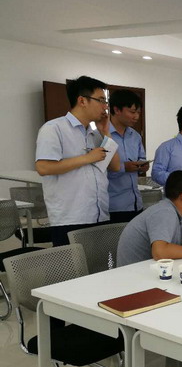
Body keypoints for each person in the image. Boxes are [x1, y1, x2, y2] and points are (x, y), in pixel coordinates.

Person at [35, 76, 121, 246]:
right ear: (82, 101)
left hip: (99, 214)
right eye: (101, 100)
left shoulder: (94, 133)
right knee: (74, 263)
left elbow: (115, 166)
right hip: (70, 218)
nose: (105, 107)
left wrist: (106, 132)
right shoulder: (54, 128)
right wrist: (87, 158)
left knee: (102, 263)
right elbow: (43, 167)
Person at [117, 170, 182, 267]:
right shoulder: (164, 212)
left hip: (149, 270)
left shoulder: (174, 212)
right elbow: (159, 252)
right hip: (133, 275)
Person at [107, 89, 148, 223]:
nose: (136, 116)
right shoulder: (101, 135)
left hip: (136, 203)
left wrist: (143, 166)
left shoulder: (135, 136)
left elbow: (141, 158)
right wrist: (124, 167)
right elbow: (97, 170)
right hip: (113, 206)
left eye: (138, 112)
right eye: (132, 112)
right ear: (116, 110)